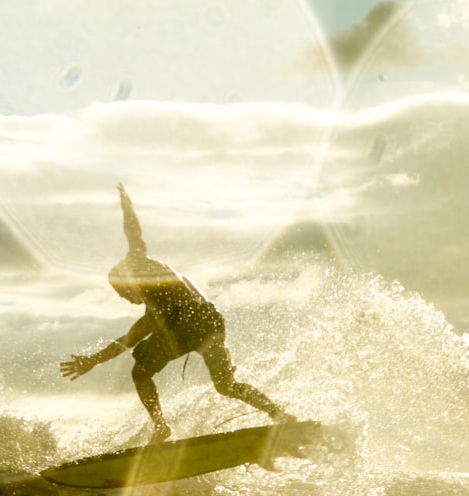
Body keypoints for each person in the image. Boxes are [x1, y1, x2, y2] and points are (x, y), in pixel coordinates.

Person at [60, 184, 294, 444]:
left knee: (140, 372)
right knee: (226, 386)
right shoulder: (147, 266)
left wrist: (93, 360)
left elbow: (130, 339)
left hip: (186, 324)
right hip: (210, 320)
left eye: (123, 294)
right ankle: (279, 414)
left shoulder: (142, 278)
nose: (127, 300)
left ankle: (161, 427)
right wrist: (126, 205)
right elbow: (134, 234)